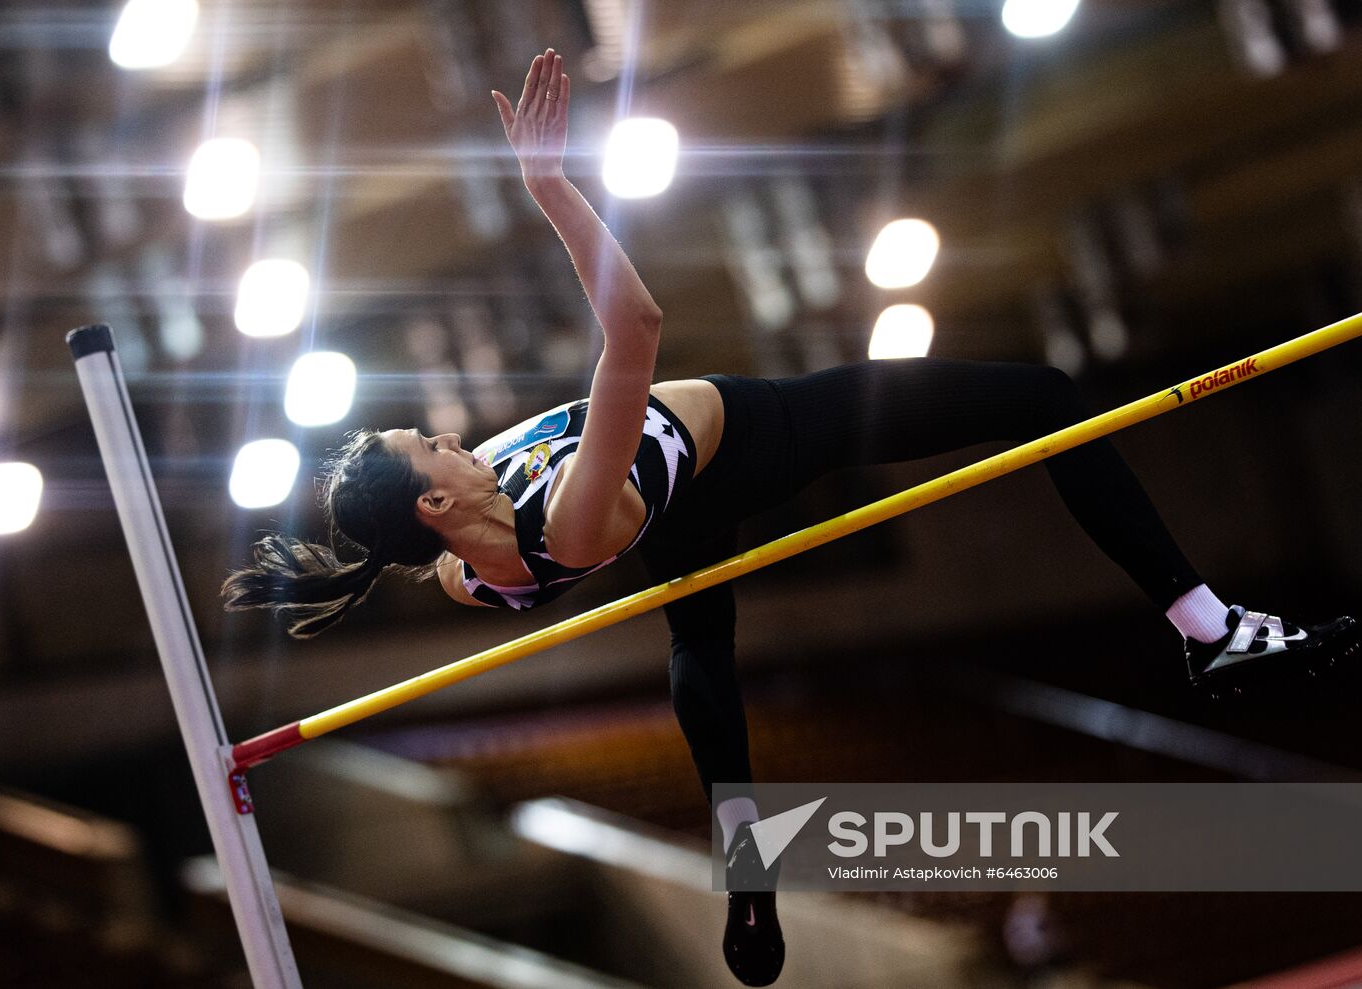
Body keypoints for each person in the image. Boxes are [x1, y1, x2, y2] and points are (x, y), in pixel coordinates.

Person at [222, 49, 1360, 987]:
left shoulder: (465, 560)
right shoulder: (560, 525)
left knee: (695, 633)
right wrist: (552, 190)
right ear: (434, 499)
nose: (446, 432)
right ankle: (1209, 629)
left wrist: (375, 528)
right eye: (427, 445)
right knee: (1046, 402)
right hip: (757, 437)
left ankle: (745, 863)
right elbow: (636, 328)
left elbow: (435, 556)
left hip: (671, 517)